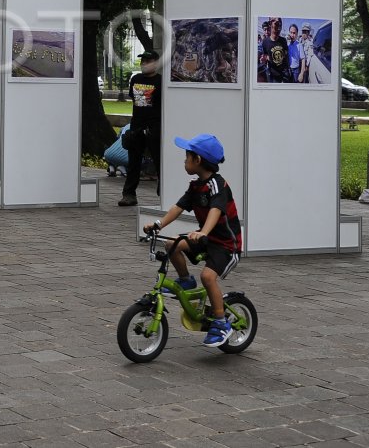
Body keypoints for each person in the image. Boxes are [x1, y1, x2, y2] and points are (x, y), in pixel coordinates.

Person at [142, 133, 242, 347]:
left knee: (207, 277)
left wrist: (203, 232)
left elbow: (216, 210)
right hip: (207, 238)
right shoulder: (196, 187)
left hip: (226, 245)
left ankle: (221, 321)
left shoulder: (218, 185)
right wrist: (158, 225)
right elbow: (178, 208)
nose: (184, 161)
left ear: (197, 160)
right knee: (172, 245)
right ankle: (186, 280)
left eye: (187, 157)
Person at [120, 50, 162, 207]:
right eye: (142, 60)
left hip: (154, 126)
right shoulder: (136, 79)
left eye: (148, 60)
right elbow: (134, 99)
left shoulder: (160, 82)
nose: (144, 63)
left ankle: (163, 192)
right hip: (136, 126)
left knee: (159, 161)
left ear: (156, 63)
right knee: (133, 162)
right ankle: (129, 194)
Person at [257, 17, 290, 83]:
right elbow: (264, 58)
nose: (278, 27)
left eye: (280, 24)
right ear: (270, 24)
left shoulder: (283, 41)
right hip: (272, 76)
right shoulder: (265, 42)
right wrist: (263, 60)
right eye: (276, 23)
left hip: (284, 75)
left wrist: (287, 72)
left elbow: (285, 56)